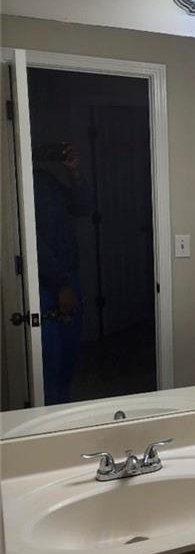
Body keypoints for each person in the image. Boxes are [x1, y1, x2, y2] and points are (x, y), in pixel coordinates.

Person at [33, 142, 92, 405]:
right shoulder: (18, 184)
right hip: (46, 286)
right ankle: (49, 423)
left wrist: (74, 172)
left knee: (69, 355)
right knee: (49, 362)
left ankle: (62, 413)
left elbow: (82, 206)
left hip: (69, 276)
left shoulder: (46, 181)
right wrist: (61, 284)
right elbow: (34, 244)